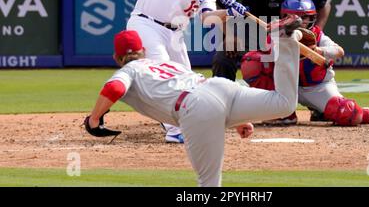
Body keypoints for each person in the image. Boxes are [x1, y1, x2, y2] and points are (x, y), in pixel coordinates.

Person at [84, 26, 301, 187]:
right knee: (284, 103)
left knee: (208, 184)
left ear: (116, 57)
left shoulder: (128, 71)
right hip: (218, 87)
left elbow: (113, 89)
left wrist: (94, 120)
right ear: (143, 50)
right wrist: (236, 118)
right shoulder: (164, 63)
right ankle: (286, 39)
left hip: (196, 106)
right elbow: (207, 98)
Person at [126, 0, 247, 143]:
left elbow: (207, 18)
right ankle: (174, 129)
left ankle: (177, 121)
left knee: (188, 83)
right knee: (165, 75)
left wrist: (230, 12)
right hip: (147, 24)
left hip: (174, 34)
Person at [241, 0, 369, 126]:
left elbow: (339, 51)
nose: (300, 21)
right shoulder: (277, 32)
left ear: (312, 17)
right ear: (284, 17)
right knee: (251, 62)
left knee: (348, 113)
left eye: (304, 17)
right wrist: (282, 41)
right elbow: (263, 57)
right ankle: (281, 114)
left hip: (316, 87)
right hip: (286, 86)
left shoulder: (317, 35)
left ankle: (362, 113)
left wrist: (318, 51)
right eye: (294, 17)